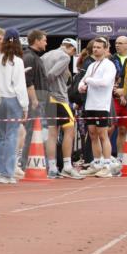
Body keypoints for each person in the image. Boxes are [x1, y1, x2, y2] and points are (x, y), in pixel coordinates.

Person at [0, 28, 28, 184]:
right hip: (12, 100)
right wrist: (25, 106)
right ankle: (7, 172)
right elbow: (20, 86)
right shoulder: (17, 61)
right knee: (11, 136)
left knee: (0, 136)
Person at [42, 37, 82, 179]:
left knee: (52, 133)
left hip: (47, 98)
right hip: (59, 97)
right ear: (72, 49)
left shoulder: (46, 55)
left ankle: (52, 168)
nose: (72, 55)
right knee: (69, 130)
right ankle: (67, 166)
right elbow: (52, 74)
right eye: (73, 52)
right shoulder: (65, 56)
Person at [78, 37, 117, 177]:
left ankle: (107, 166)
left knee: (103, 134)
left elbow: (105, 83)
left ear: (106, 49)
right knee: (92, 134)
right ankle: (97, 163)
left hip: (101, 105)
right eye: (94, 47)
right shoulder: (91, 65)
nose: (95, 49)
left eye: (99, 47)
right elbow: (82, 81)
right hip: (90, 104)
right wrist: (81, 86)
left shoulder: (109, 65)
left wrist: (88, 81)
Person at [20, 29, 49, 171]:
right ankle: (25, 164)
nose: (46, 43)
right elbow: (27, 81)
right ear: (36, 41)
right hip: (35, 101)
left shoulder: (35, 57)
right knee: (32, 133)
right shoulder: (29, 57)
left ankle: (37, 164)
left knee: (39, 133)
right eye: (44, 40)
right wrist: (34, 100)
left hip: (40, 100)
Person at [112, 35, 127, 163]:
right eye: (116, 43)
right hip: (112, 99)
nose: (117, 45)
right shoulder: (111, 59)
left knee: (123, 130)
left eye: (120, 43)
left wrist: (125, 94)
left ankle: (120, 158)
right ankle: (104, 158)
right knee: (108, 128)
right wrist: (116, 91)